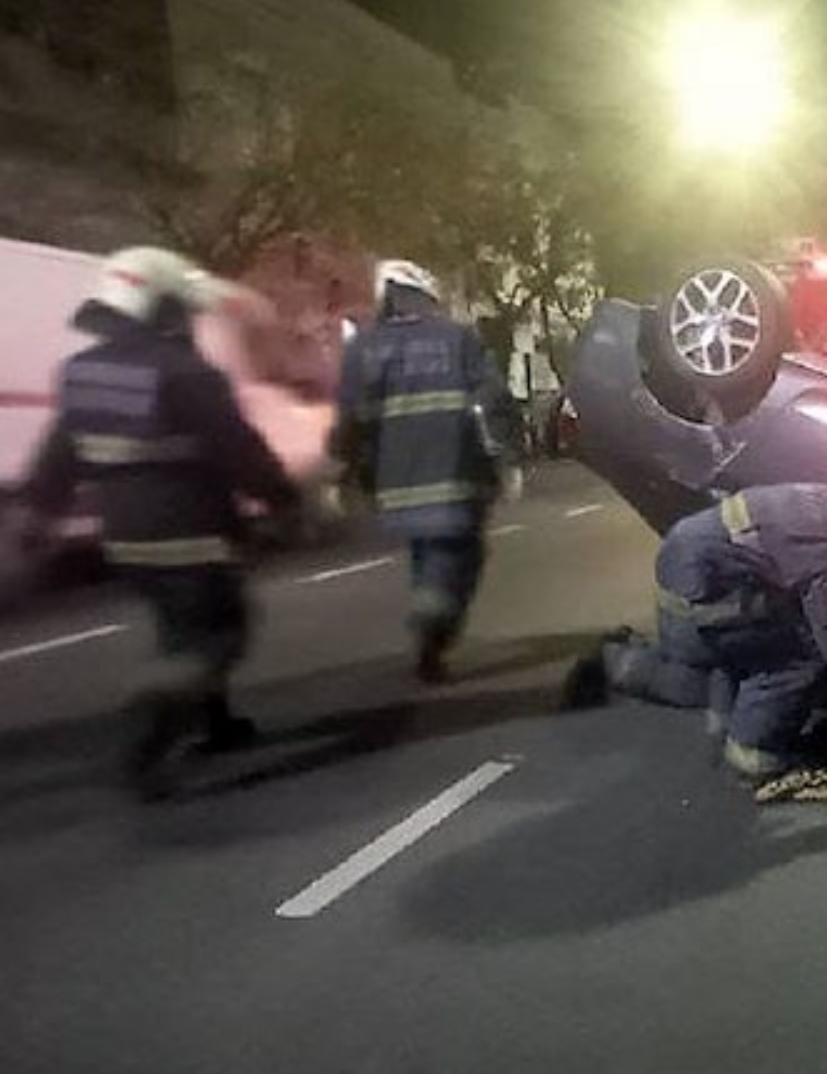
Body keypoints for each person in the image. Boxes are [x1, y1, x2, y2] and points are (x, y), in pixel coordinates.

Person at [17, 246, 301, 794]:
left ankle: (216, 725)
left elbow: (60, 456)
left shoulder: (81, 373)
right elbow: (240, 451)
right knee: (219, 632)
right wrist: (283, 502)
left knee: (178, 624)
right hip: (194, 530)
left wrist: (39, 515)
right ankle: (154, 721)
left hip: (124, 539)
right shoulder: (187, 372)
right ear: (166, 307)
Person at [571, 485, 827, 782]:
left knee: (738, 654)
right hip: (703, 598)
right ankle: (754, 750)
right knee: (802, 658)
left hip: (688, 574)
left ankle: (617, 664)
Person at [330, 260, 521, 683]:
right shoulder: (458, 338)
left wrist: (343, 470)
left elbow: (348, 417)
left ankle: (430, 613)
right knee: (456, 552)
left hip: (395, 482)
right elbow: (493, 399)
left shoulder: (363, 347)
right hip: (455, 474)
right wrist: (505, 457)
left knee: (426, 547)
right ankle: (433, 616)